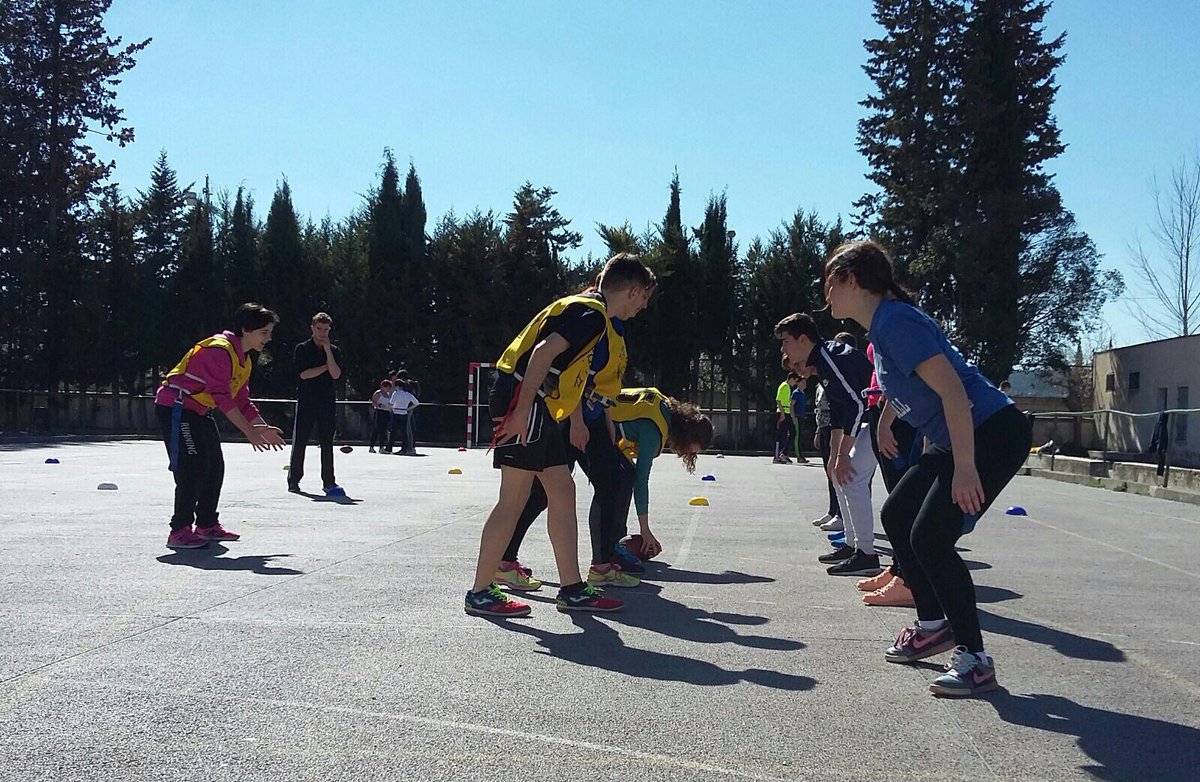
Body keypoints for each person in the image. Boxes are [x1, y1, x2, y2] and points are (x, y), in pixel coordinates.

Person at [822, 240, 1031, 697]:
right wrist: (886, 421)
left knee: (932, 538)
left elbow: (954, 391)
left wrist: (967, 467)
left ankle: (974, 660)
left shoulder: (894, 321)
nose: (827, 298)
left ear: (852, 280)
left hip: (989, 432)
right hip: (957, 435)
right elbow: (914, 383)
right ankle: (933, 625)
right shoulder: (885, 326)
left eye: (830, 286)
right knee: (897, 516)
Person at [465, 254, 656, 617]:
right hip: (525, 399)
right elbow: (542, 354)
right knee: (513, 500)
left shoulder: (590, 312)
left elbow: (564, 371)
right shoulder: (592, 315)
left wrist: (566, 416)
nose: (644, 305)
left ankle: (572, 589)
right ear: (632, 292)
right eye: (644, 297)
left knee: (562, 489)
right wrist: (521, 410)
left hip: (537, 402)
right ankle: (480, 591)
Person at [155, 303, 286, 549]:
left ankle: (206, 524)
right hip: (177, 408)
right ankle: (179, 530)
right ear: (246, 329)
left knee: (215, 466)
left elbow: (242, 400)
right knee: (191, 465)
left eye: (269, 333)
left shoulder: (243, 360)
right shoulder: (219, 350)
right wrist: (249, 432)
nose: (268, 339)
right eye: (264, 332)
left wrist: (261, 426)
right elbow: (223, 399)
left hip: (199, 410)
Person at [776, 313, 882, 577]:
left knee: (852, 477)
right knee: (839, 475)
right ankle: (850, 545)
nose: (783, 348)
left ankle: (866, 554)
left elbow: (858, 404)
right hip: (868, 421)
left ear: (803, 339)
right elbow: (838, 410)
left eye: (786, 341)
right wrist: (835, 456)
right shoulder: (822, 363)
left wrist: (844, 455)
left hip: (882, 420)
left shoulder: (832, 358)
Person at [609, 387, 714, 562]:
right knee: (622, 482)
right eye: (689, 451)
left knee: (624, 477)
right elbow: (641, 481)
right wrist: (645, 529)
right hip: (593, 423)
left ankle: (614, 543)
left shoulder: (662, 405)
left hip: (594, 411)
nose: (684, 455)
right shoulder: (654, 432)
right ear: (687, 437)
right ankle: (609, 551)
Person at [856, 340, 921, 607]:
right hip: (881, 411)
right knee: (896, 496)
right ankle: (899, 569)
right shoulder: (882, 329)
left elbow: (903, 380)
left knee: (902, 505)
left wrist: (886, 423)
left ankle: (909, 581)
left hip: (896, 419)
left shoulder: (895, 328)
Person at [288, 312, 344, 496]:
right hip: (307, 400)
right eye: (319, 329)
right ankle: (294, 480)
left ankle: (329, 481)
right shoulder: (302, 349)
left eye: (326, 329)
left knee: (327, 442)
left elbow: (336, 374)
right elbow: (304, 374)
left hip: (327, 401)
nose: (322, 333)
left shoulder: (334, 351)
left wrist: (328, 352)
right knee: (300, 441)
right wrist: (324, 368)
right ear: (312, 328)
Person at [387, 379, 419, 455]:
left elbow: (391, 403)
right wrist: (408, 408)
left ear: (397, 386)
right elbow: (416, 403)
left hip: (396, 413)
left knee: (393, 431)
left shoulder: (396, 393)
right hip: (404, 413)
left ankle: (389, 448)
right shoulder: (408, 394)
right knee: (404, 432)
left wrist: (389, 407)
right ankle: (404, 449)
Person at [773, 373, 799, 463]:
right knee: (780, 434)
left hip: (786, 412)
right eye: (795, 381)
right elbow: (778, 399)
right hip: (783, 412)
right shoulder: (784, 386)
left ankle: (784, 453)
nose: (795, 384)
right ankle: (776, 456)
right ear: (791, 378)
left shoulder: (787, 387)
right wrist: (782, 414)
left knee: (792, 432)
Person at [368, 378, 394, 453]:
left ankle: (382, 447)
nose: (388, 389)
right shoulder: (378, 393)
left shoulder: (389, 395)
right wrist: (380, 405)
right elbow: (373, 403)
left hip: (386, 412)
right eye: (387, 387)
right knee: (377, 430)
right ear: (383, 387)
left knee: (384, 430)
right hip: (379, 412)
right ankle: (372, 446)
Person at [790, 371, 809, 464]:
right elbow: (792, 405)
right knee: (797, 436)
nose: (805, 384)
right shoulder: (796, 393)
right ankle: (799, 456)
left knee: (801, 436)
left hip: (802, 416)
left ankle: (802, 455)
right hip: (797, 416)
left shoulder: (803, 393)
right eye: (803, 382)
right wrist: (793, 417)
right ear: (798, 383)